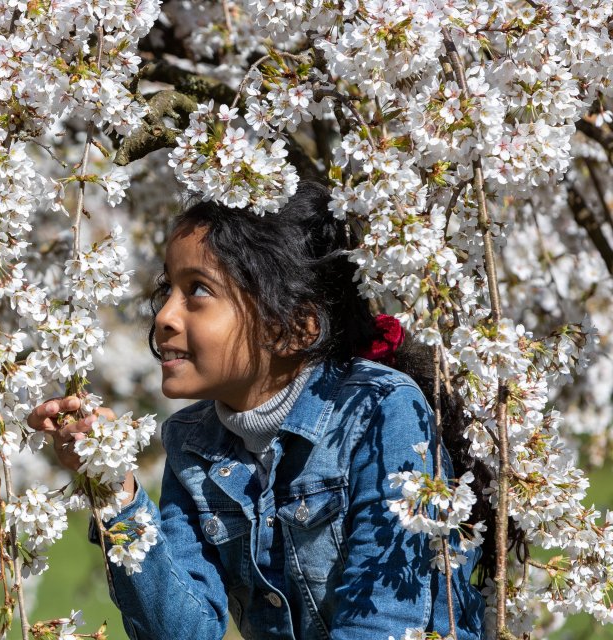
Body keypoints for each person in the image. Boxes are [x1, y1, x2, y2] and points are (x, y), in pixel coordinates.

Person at [28, 181, 488, 640]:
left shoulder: (379, 410)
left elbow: (382, 622)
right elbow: (181, 632)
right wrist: (114, 492)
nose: (165, 315)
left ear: (294, 327)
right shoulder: (191, 441)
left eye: (198, 291)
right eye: (169, 287)